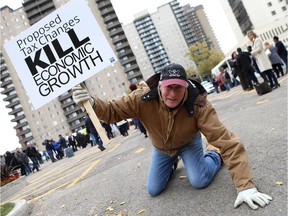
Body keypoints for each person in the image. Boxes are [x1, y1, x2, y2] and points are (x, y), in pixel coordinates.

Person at [72, 63, 272, 210]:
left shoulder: (198, 104)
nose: (173, 94)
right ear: (160, 86)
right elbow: (112, 111)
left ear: (185, 86)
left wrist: (245, 186)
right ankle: (172, 162)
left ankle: (213, 155)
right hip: (162, 148)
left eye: (178, 87)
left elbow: (228, 142)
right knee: (153, 189)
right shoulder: (142, 98)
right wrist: (92, 101)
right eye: (169, 87)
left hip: (188, 142)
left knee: (199, 181)